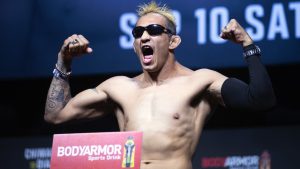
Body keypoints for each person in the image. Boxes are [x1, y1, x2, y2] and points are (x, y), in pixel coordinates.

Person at [44, 2, 276, 169]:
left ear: (173, 41)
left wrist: (247, 43)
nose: (144, 37)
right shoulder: (118, 88)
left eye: (154, 30)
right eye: (138, 32)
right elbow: (55, 115)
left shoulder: (200, 81)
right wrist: (63, 61)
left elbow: (261, 100)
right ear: (134, 44)